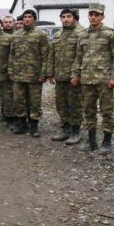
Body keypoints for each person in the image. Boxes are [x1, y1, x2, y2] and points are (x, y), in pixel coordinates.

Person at [71, 3, 114, 155]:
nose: (93, 17)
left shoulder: (110, 34)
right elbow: (78, 58)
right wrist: (75, 74)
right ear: (88, 16)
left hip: (104, 80)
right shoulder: (82, 35)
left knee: (107, 111)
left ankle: (107, 142)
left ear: (102, 17)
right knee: (88, 111)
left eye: (97, 15)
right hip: (87, 80)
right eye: (91, 15)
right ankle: (91, 140)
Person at [9, 9, 50, 137]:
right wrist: (11, 71)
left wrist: (44, 74)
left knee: (34, 102)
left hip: (34, 75)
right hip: (19, 75)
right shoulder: (16, 35)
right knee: (19, 100)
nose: (27, 19)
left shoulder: (41, 35)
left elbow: (46, 56)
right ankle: (22, 124)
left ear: (34, 19)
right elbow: (12, 55)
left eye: (29, 17)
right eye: (25, 17)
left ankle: (34, 126)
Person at [47, 9, 83, 144]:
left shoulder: (81, 34)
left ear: (74, 18)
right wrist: (50, 73)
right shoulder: (58, 35)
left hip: (74, 78)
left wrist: (78, 74)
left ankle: (76, 131)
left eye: (69, 16)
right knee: (61, 104)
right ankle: (66, 128)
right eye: (63, 17)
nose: (66, 19)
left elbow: (82, 57)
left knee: (75, 105)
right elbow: (52, 55)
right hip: (60, 76)